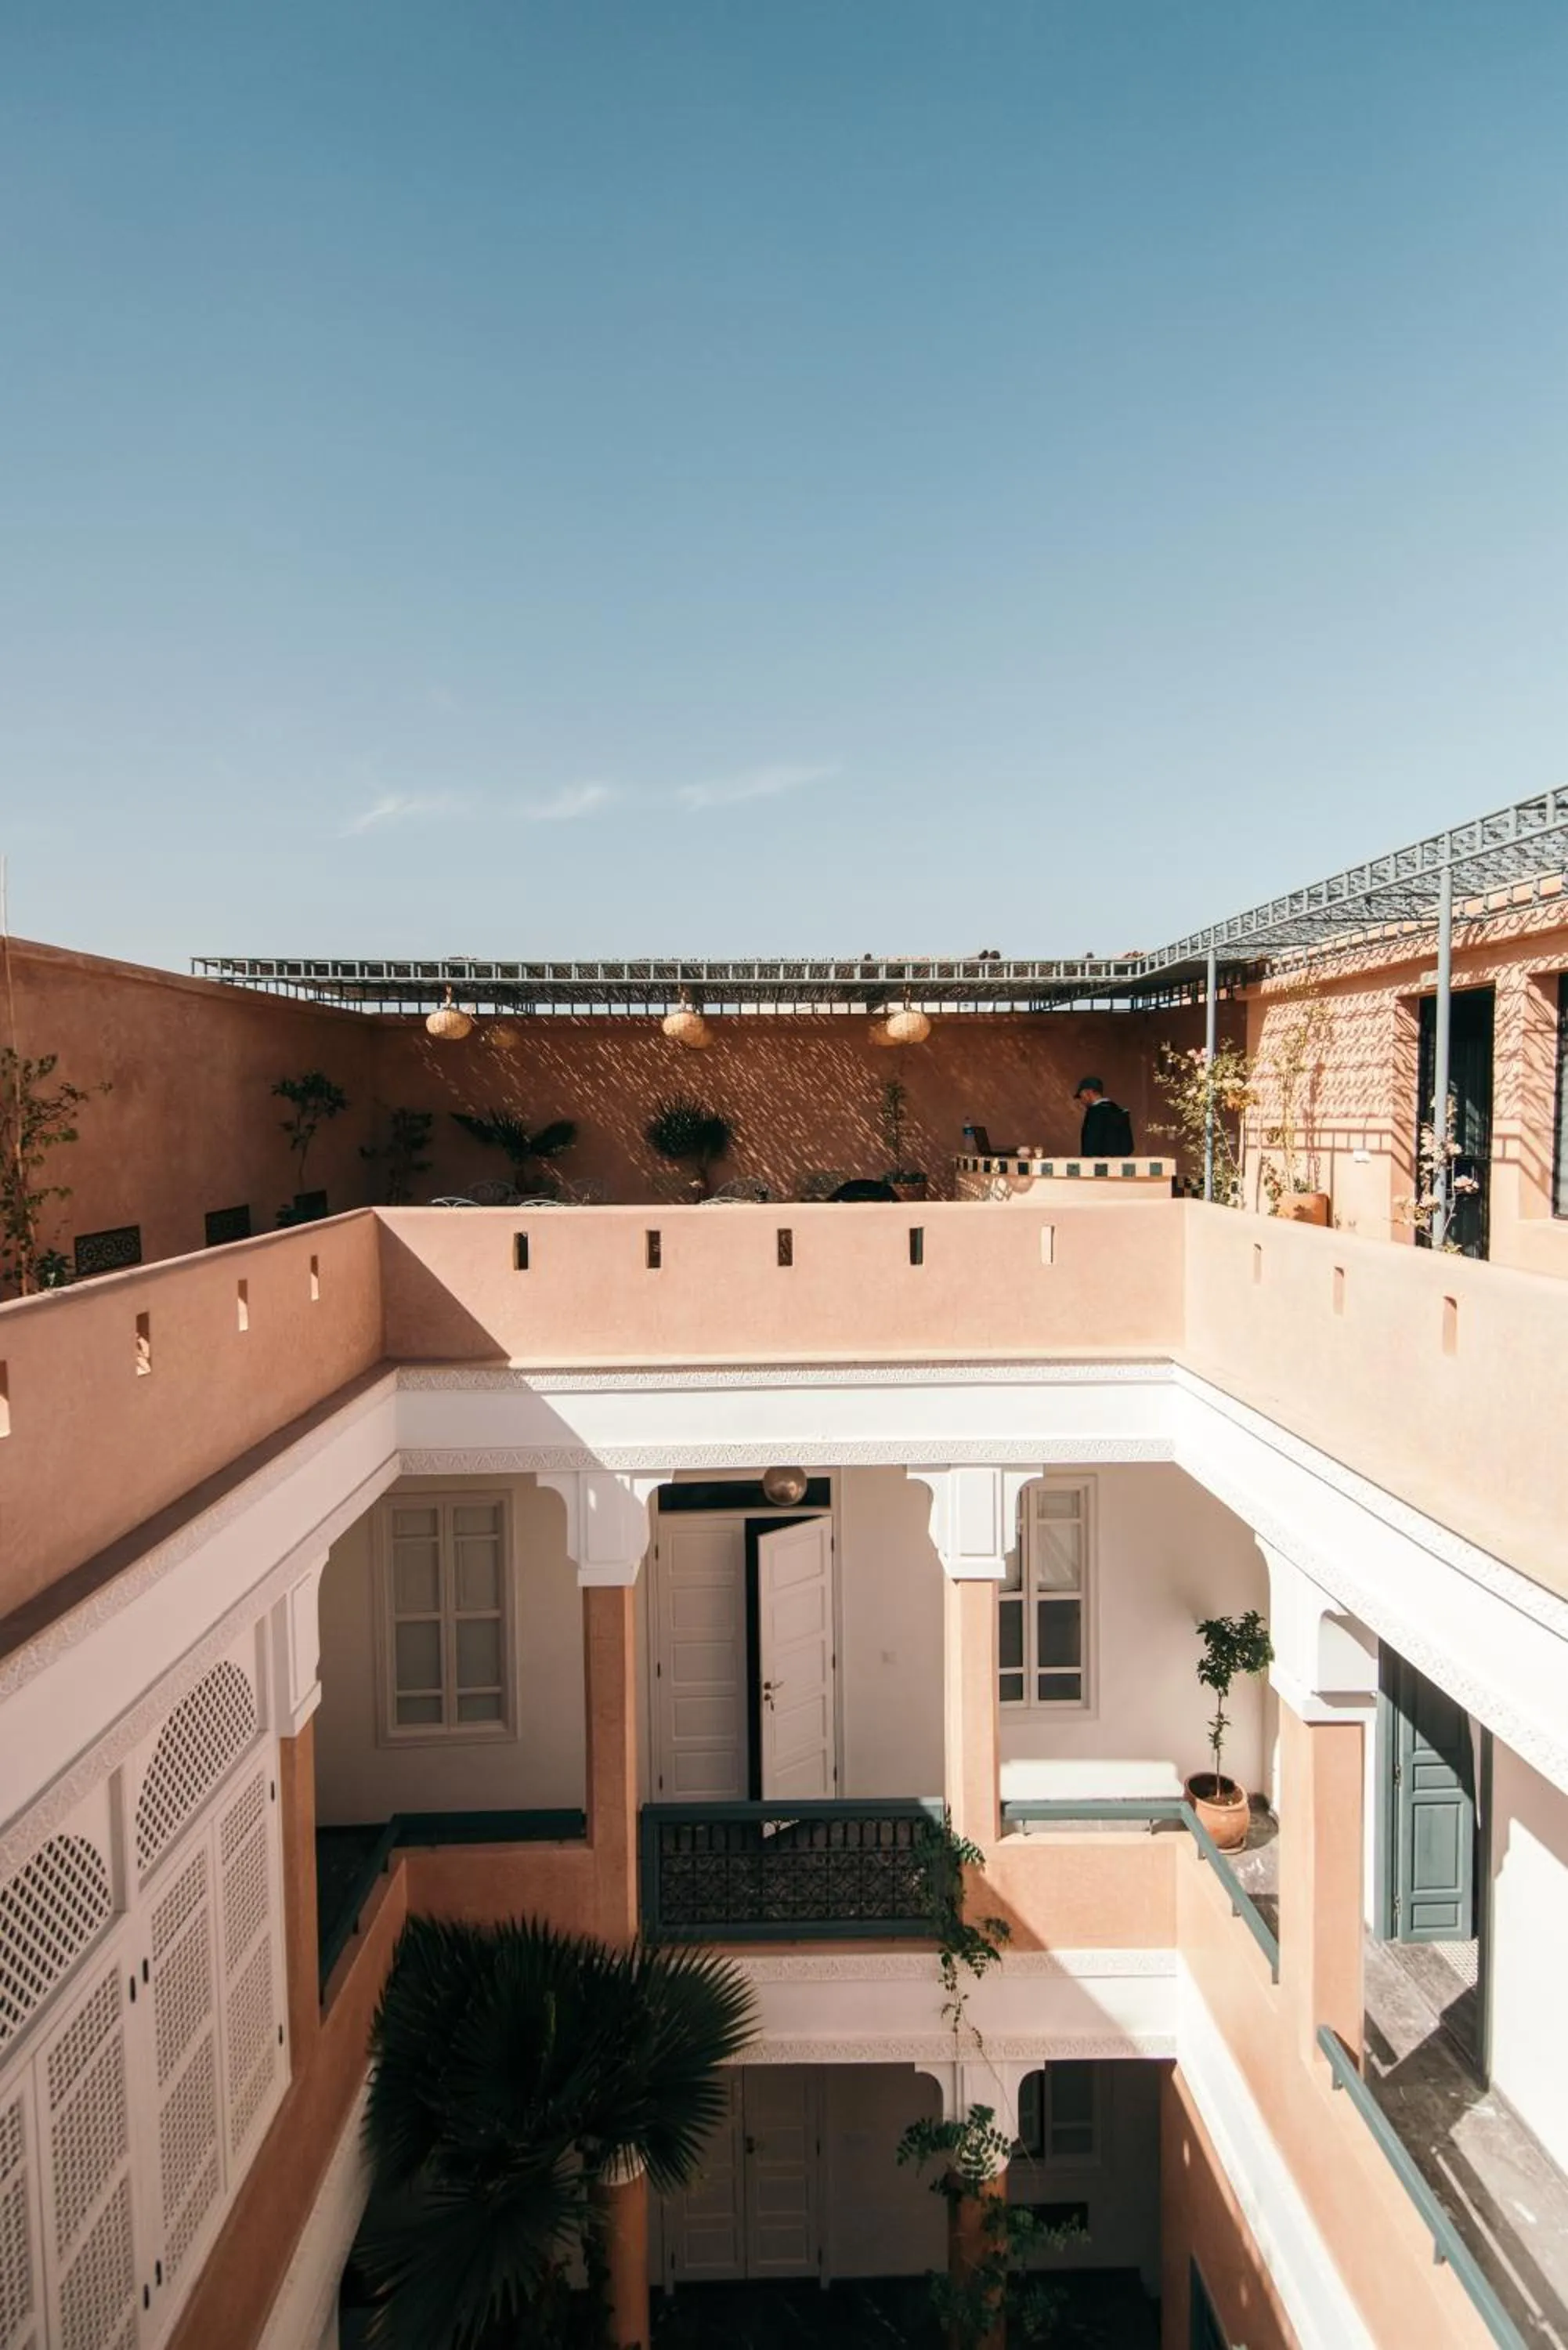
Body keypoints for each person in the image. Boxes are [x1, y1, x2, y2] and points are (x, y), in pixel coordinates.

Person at [1074, 1076, 1134, 1156]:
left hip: (1096, 1166)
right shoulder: (1119, 1112)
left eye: (1081, 1096)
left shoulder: (1094, 1113)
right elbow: (1128, 1147)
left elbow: (1090, 1146)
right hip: (1118, 1166)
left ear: (1089, 1093)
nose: (1082, 1101)